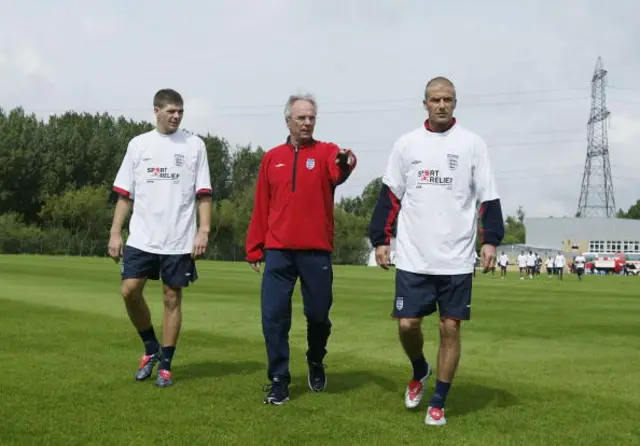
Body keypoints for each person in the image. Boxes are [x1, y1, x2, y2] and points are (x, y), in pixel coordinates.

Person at [368, 76, 504, 426]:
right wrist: (381, 239)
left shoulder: (473, 144)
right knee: (408, 325)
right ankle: (419, 369)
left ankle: (438, 403)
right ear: (424, 103)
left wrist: (490, 240)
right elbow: (390, 197)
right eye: (435, 99)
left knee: (450, 328)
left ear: (455, 103)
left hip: (456, 257)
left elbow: (487, 195)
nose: (441, 105)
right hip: (414, 255)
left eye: (448, 99)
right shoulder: (406, 145)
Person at [245, 93, 357, 405]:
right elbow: (261, 206)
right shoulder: (272, 158)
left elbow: (341, 168)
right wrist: (255, 247)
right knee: (274, 317)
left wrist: (346, 162)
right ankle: (279, 379)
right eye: (301, 118)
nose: (307, 123)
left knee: (318, 315)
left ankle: (316, 358)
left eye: (311, 118)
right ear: (288, 121)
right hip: (278, 251)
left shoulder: (325, 152)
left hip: (316, 251)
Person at [108, 88, 212, 387]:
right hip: (141, 237)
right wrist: (116, 232)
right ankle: (150, 347)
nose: (177, 116)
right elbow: (125, 196)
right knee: (129, 290)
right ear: (156, 111)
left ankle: (165, 363)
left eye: (180, 111)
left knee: (171, 296)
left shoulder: (195, 145)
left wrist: (202, 231)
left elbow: (203, 194)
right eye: (171, 111)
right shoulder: (139, 145)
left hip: (179, 237)